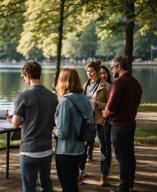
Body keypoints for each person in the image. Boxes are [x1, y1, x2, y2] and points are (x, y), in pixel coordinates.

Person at [8, 60, 57, 192]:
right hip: (46, 148)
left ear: (28, 75)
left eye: (24, 77)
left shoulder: (23, 96)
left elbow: (16, 123)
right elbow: (53, 121)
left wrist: (11, 118)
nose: (24, 80)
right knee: (46, 184)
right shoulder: (53, 97)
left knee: (28, 188)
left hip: (29, 149)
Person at [103, 56, 142, 192]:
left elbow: (111, 107)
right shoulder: (136, 83)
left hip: (119, 126)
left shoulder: (118, 83)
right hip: (131, 123)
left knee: (122, 158)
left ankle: (123, 188)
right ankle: (129, 186)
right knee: (130, 156)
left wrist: (104, 113)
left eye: (113, 67)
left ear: (119, 67)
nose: (112, 69)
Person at [54, 68, 94, 192]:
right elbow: (90, 121)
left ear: (63, 82)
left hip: (65, 150)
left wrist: (54, 130)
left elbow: (63, 132)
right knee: (73, 184)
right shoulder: (84, 99)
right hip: (79, 149)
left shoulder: (65, 101)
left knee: (67, 186)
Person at [79, 61, 112, 186]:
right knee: (82, 147)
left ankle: (103, 176)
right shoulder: (84, 85)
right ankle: (81, 171)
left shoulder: (107, 86)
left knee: (105, 148)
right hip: (87, 121)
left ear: (98, 72)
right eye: (87, 71)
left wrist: (97, 104)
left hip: (101, 121)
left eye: (91, 71)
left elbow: (110, 106)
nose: (89, 73)